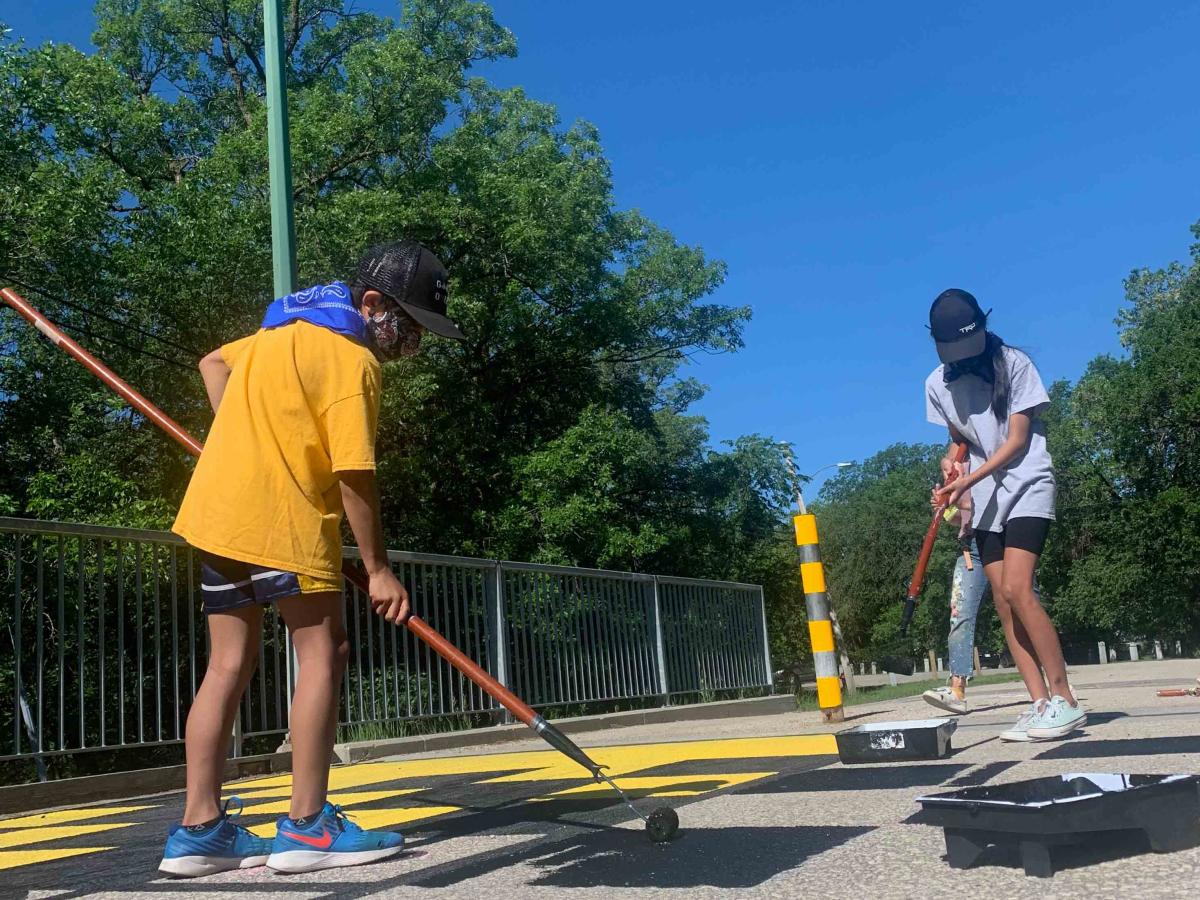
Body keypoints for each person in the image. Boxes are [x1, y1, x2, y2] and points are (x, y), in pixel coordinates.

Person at [158, 241, 465, 877]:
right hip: (285, 517)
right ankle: (307, 827)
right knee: (325, 650)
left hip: (219, 514)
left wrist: (239, 443)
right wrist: (378, 569)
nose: (411, 342)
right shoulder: (352, 359)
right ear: (372, 303)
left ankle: (199, 831)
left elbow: (212, 362)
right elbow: (355, 472)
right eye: (407, 324)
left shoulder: (278, 335)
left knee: (228, 664)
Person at [924, 288, 1085, 742]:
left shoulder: (1014, 364)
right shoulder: (936, 383)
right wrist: (953, 462)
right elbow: (961, 438)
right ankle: (1039, 705)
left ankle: (1065, 700)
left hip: (1028, 480)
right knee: (1002, 601)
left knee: (1018, 587)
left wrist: (967, 481)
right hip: (987, 496)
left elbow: (1015, 441)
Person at [922, 464, 988, 716]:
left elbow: (997, 504)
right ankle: (957, 689)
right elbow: (959, 518)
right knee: (959, 614)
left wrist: (959, 504)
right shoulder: (955, 464)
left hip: (1003, 539)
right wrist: (946, 508)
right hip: (971, 547)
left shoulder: (990, 453)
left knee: (1021, 608)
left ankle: (1056, 683)